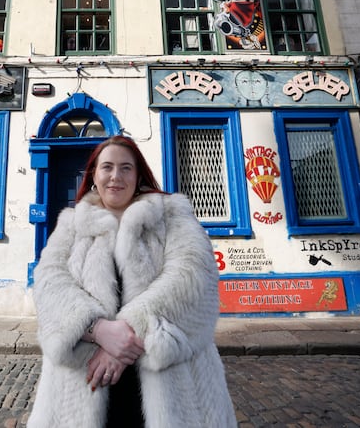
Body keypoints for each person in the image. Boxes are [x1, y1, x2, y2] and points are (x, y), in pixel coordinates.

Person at [28, 136, 235, 428]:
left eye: (126, 168)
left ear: (139, 176)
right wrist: (97, 329)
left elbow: (192, 277)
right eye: (107, 167)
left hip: (173, 387)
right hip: (81, 386)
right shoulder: (72, 225)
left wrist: (126, 336)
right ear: (94, 176)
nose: (116, 176)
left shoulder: (172, 215)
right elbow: (49, 282)